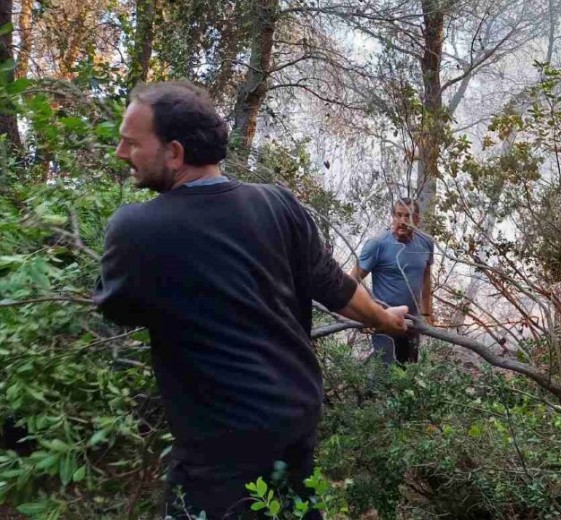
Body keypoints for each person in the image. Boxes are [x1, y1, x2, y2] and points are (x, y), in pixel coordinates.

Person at [92, 81, 408, 519]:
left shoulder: (136, 228)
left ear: (175, 153)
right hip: (294, 418)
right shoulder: (277, 203)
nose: (121, 153)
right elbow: (336, 287)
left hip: (219, 447)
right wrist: (386, 319)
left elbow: (117, 308)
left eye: (131, 143)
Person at [350, 198, 435, 365]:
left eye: (408, 216)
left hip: (412, 321)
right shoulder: (377, 244)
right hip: (384, 320)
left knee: (409, 371)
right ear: (393, 216)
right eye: (398, 215)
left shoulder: (426, 243)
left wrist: (426, 313)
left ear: (417, 219)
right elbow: (353, 280)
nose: (402, 221)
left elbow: (426, 278)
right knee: (385, 371)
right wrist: (364, 315)